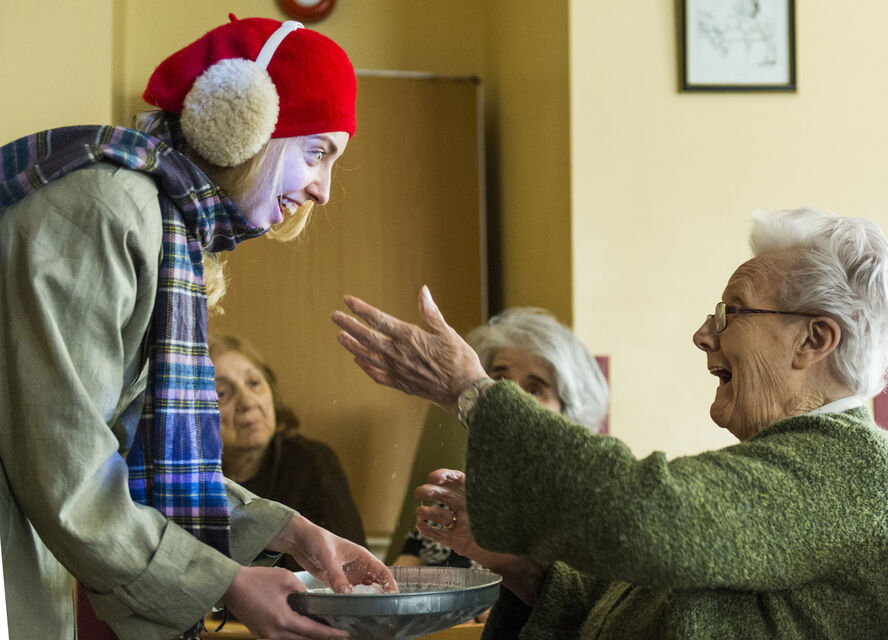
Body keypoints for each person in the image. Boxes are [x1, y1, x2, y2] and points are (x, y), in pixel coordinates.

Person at [332, 207, 888, 639]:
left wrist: (473, 391)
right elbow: (640, 602)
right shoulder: (805, 461)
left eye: (732, 312)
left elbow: (650, 515)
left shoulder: (856, 469)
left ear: (814, 339)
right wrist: (525, 568)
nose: (703, 335)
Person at [0, 15, 395, 640]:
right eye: (317, 152)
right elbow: (67, 467)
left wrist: (288, 531)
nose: (322, 190)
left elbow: (129, 450)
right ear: (240, 123)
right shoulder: (108, 210)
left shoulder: (155, 218)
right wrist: (227, 582)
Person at [390, 308, 608, 570]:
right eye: (499, 380)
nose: (510, 397)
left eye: (536, 390)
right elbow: (401, 576)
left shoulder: (578, 513)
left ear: (569, 413)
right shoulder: (458, 495)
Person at [210, 334, 367, 571]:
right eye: (222, 393)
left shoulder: (312, 461)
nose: (248, 402)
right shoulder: (184, 481)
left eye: (254, 383)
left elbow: (349, 570)